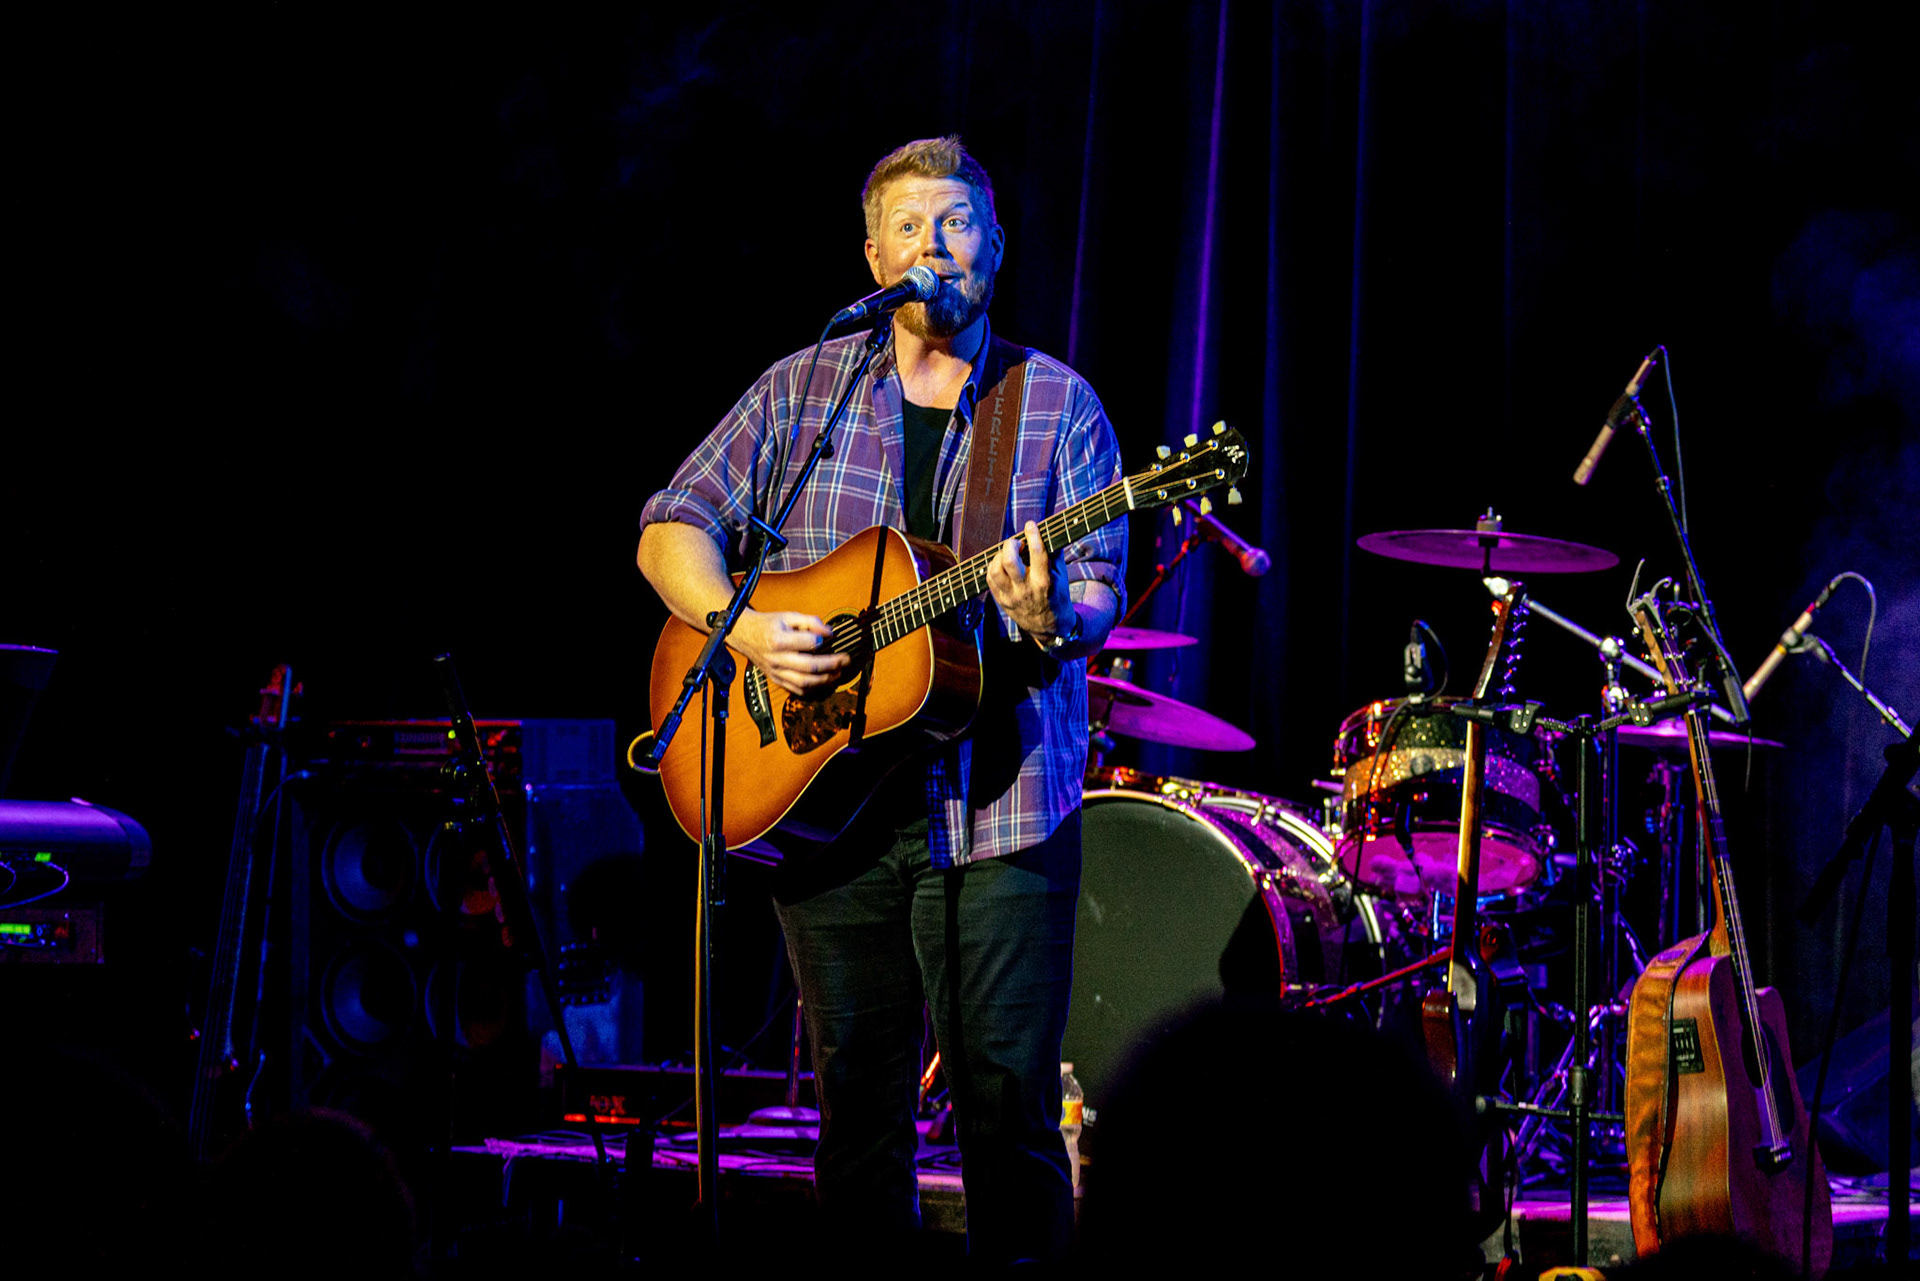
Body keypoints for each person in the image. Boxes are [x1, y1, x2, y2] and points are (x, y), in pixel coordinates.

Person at [636, 135, 1126, 1265]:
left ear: (994, 247)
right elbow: (670, 528)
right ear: (874, 258)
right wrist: (742, 628)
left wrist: (1050, 611)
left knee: (1007, 1118)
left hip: (1001, 812)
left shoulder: (1055, 404)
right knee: (856, 1118)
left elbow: (1097, 596)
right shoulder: (802, 389)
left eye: (955, 223)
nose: (933, 247)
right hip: (827, 814)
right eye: (909, 227)